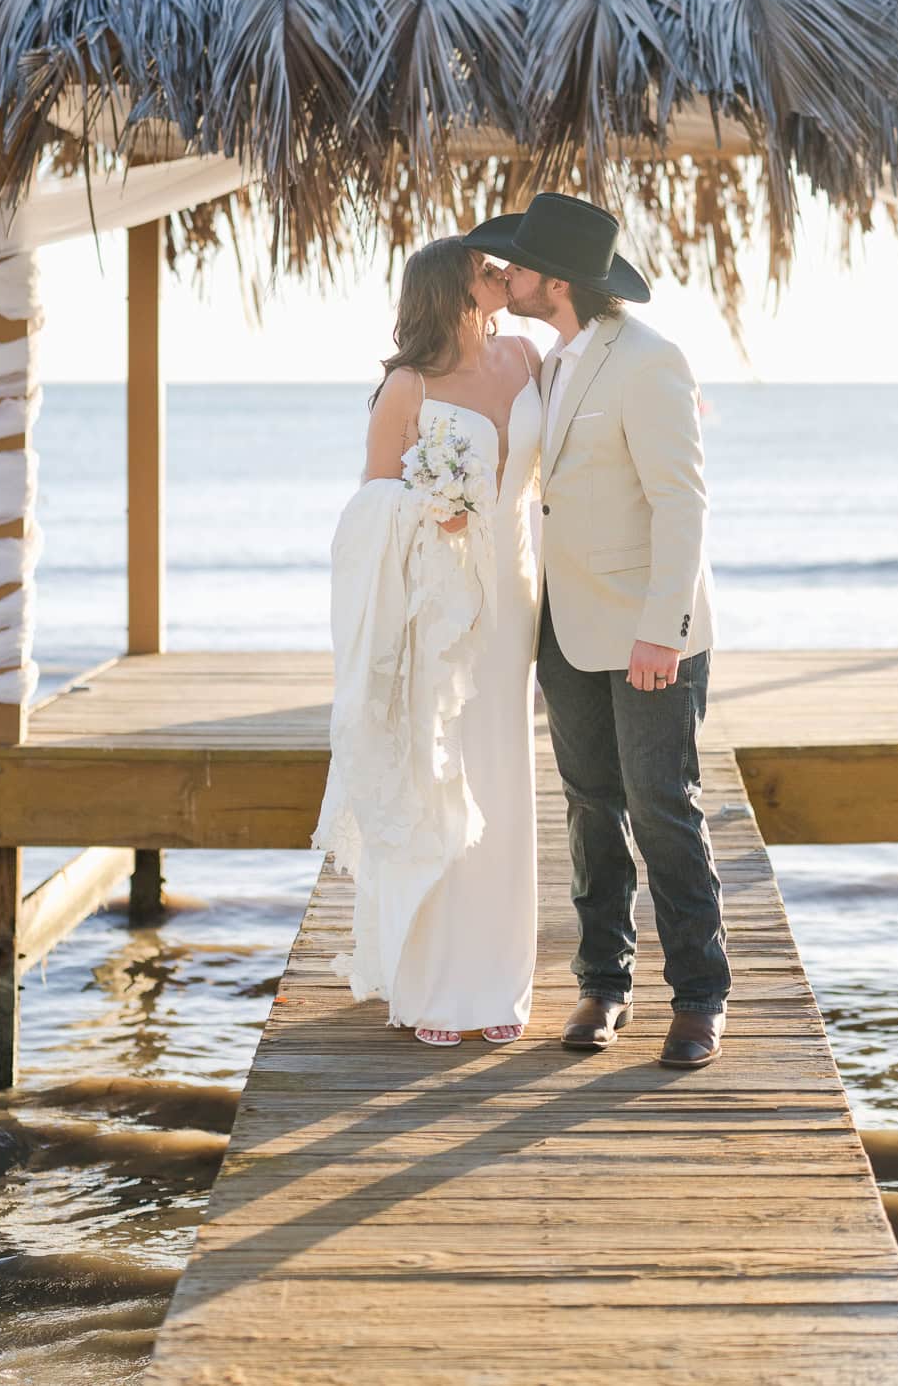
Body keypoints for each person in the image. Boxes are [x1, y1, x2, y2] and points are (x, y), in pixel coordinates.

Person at [463, 191, 731, 1069]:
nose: (509, 276)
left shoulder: (651, 360)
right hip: (565, 627)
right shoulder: (552, 360)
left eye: (520, 266)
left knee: (663, 811)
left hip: (649, 632)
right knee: (589, 808)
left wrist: (663, 628)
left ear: (558, 280)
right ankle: (603, 983)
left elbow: (681, 503)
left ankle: (698, 997)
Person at [311, 237, 543, 1047]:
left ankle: (500, 978)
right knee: (442, 773)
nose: (501, 275)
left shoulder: (524, 355)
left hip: (513, 597)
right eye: (486, 270)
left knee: (506, 781)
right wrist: (430, 509)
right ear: (453, 289)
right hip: (440, 609)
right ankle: (437, 987)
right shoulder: (405, 386)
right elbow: (370, 508)